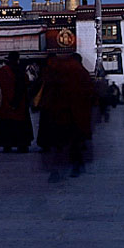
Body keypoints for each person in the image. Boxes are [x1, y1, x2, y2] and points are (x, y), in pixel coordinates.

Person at [36, 53, 94, 182]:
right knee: (75, 142)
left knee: (60, 143)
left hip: (60, 113)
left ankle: (57, 169)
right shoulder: (82, 72)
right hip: (77, 114)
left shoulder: (57, 71)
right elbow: (90, 94)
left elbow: (50, 91)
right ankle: (76, 165)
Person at [0, 51, 34, 153]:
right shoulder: (21, 71)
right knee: (21, 125)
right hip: (20, 103)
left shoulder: (2, 71)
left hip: (6, 103)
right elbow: (27, 85)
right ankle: (22, 145)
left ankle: (7, 145)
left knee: (7, 125)